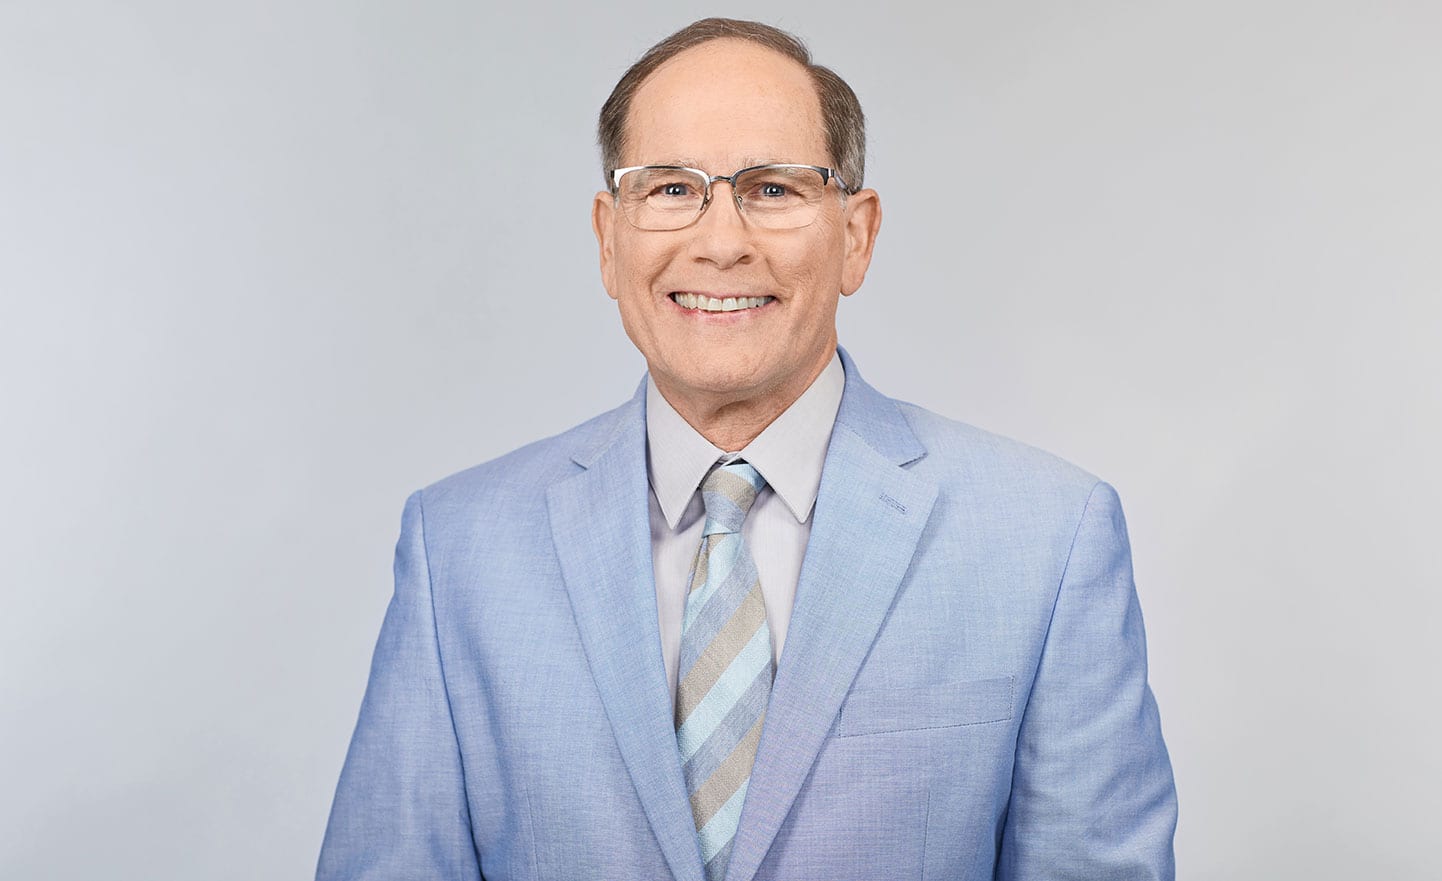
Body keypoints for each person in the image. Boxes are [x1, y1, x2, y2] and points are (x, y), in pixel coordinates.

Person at [317, 17, 1177, 881]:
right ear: (608, 240)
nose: (722, 241)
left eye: (771, 189)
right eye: (669, 189)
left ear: (856, 234)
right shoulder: (459, 549)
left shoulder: (1047, 540)